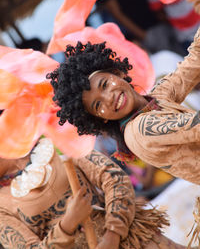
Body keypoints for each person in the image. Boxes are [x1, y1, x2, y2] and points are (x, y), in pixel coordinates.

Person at [47, 27, 200, 186]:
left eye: (104, 84)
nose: (109, 98)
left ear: (117, 73)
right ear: (100, 118)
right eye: (98, 105)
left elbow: (193, 61)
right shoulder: (140, 130)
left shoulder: (155, 98)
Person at [0, 137, 185, 249]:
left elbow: (114, 178)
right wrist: (68, 224)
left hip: (133, 239)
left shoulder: (56, 143)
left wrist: (112, 235)